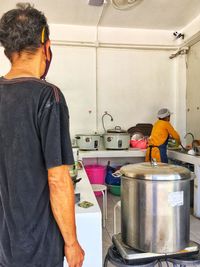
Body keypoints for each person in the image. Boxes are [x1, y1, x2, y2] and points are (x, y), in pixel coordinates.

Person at [0, 3, 84, 267]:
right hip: (37, 246)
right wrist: (72, 244)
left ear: (7, 50)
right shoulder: (48, 96)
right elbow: (58, 178)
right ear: (45, 43)